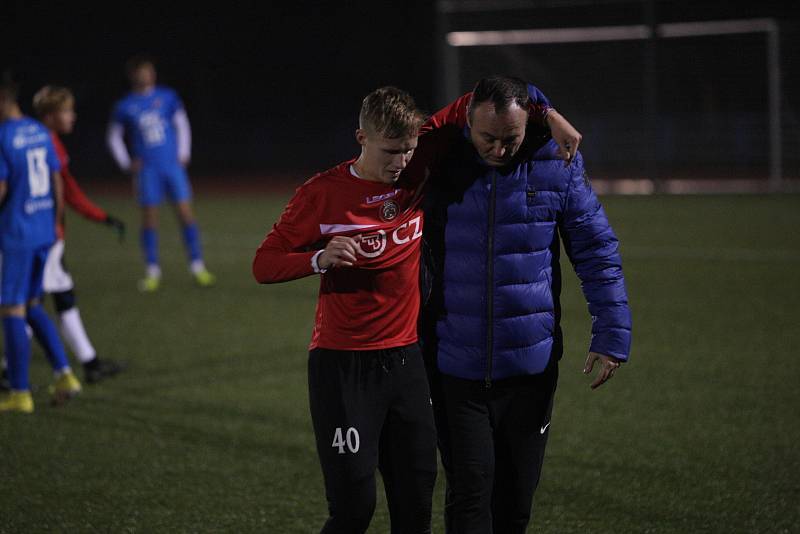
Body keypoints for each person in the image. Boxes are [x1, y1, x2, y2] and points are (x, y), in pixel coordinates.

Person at [419, 76, 632, 534]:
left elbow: (596, 249)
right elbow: (412, 134)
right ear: (467, 123)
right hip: (456, 366)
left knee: (515, 502)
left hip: (530, 370)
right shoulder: (441, 159)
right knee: (470, 497)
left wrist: (611, 331)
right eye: (487, 138)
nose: (498, 149)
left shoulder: (557, 160)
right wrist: (545, 105)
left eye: (510, 139)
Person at [31, 85, 125, 383]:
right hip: (43, 236)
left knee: (56, 299)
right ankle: (11, 373)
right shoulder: (46, 143)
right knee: (29, 304)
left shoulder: (36, 139)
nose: (73, 116)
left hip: (36, 234)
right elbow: (67, 192)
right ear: (50, 115)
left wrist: (101, 217)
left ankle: (90, 362)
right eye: (67, 110)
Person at [0, 81, 82, 413]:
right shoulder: (37, 130)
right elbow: (56, 179)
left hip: (15, 235)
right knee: (32, 305)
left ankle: (19, 393)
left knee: (11, 309)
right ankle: (65, 375)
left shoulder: (3, 136)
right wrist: (55, 224)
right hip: (43, 231)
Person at [106, 56, 215, 292]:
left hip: (171, 166)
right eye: (142, 72)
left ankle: (197, 266)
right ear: (133, 75)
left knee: (186, 214)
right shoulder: (125, 105)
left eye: (149, 71)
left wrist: (183, 152)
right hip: (147, 169)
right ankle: (152, 271)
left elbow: (182, 124)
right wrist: (126, 163)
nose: (147, 76)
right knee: (149, 218)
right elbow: (113, 136)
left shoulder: (167, 97)